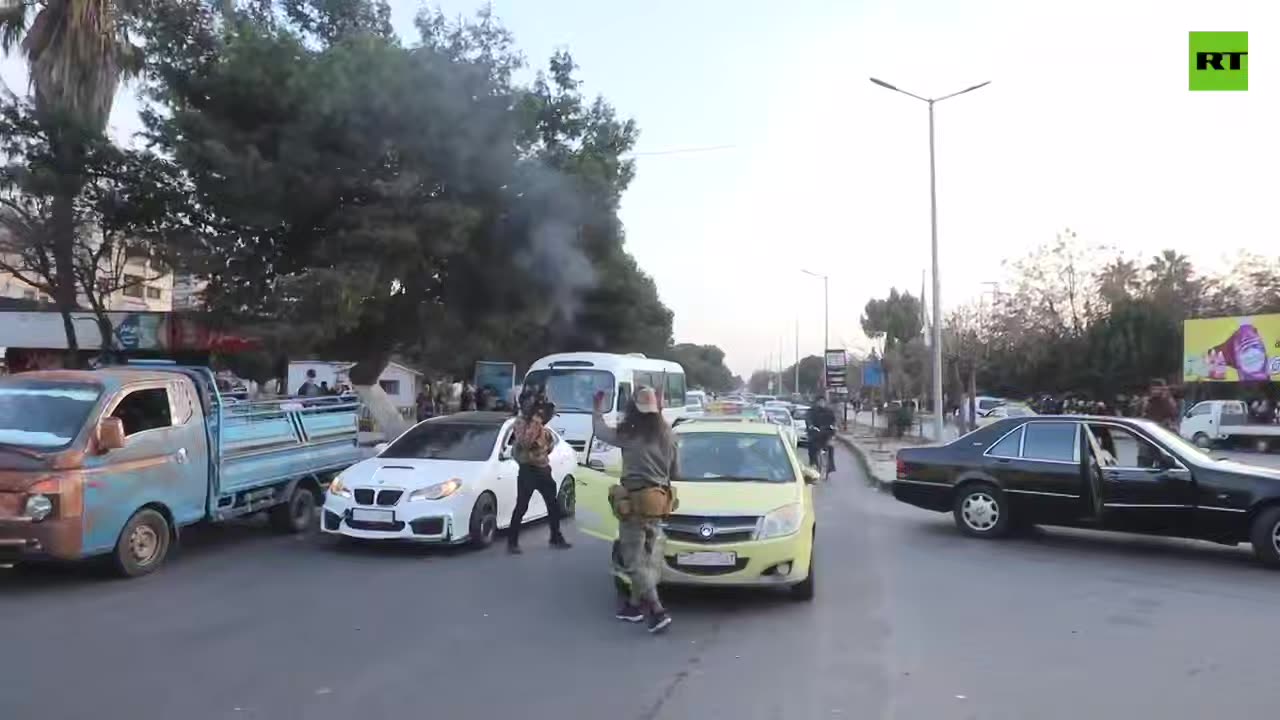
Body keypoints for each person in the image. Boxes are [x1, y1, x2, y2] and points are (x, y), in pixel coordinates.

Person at [591, 386, 678, 634]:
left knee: (632, 561)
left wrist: (597, 409)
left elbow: (600, 432)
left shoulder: (630, 434)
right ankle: (632, 606)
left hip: (636, 503)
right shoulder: (668, 435)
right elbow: (675, 472)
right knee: (647, 557)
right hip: (660, 502)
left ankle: (657, 610)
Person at [507, 389, 572, 555]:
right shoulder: (520, 422)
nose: (534, 406)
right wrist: (536, 421)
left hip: (543, 469)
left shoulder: (540, 424)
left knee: (553, 504)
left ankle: (555, 537)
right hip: (528, 470)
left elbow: (547, 445)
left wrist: (542, 421)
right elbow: (526, 442)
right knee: (521, 506)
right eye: (531, 403)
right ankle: (512, 542)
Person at [806, 396, 837, 471]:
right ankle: (813, 463)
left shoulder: (829, 411)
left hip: (827, 433)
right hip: (815, 433)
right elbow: (808, 419)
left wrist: (833, 427)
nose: (822, 403)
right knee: (811, 447)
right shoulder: (812, 411)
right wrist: (810, 426)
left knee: (831, 447)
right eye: (820, 402)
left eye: (823, 401)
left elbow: (833, 421)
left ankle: (830, 466)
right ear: (817, 402)